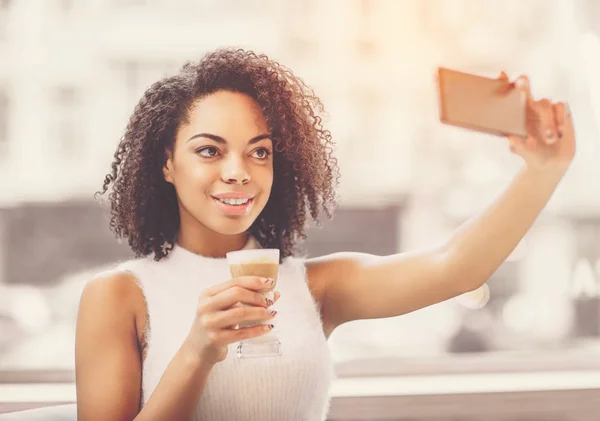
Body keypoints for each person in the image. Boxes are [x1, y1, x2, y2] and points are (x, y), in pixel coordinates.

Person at [74, 48, 576, 421]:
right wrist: (196, 353)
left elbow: (456, 265)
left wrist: (543, 171)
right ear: (166, 163)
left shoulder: (316, 287)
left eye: (260, 151)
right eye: (209, 150)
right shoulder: (119, 296)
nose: (238, 172)